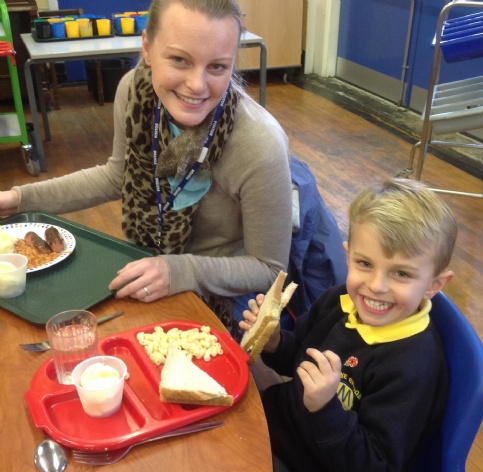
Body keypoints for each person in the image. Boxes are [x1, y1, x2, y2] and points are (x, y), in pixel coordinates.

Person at [0, 0, 292, 333]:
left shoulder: (259, 144)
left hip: (224, 295)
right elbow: (116, 177)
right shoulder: (134, 92)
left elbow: (268, 269)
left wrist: (180, 271)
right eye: (180, 60)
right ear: (148, 48)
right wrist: (18, 199)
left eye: (217, 67)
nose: (197, 85)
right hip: (146, 264)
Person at [240, 178, 458, 472]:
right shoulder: (340, 300)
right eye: (365, 264)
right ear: (348, 256)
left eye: (401, 273)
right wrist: (274, 342)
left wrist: (326, 408)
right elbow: (297, 357)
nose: (376, 286)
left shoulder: (413, 366)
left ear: (433, 285)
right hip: (277, 427)